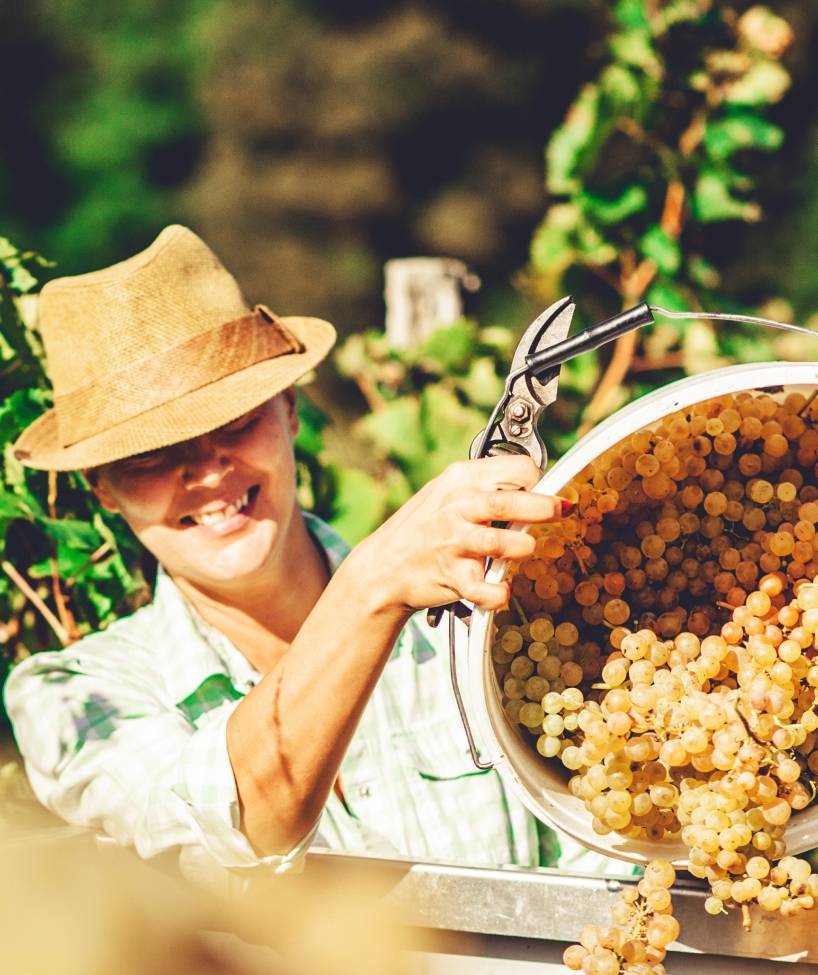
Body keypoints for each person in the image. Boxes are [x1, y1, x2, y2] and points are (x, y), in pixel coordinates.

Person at [5, 225, 623, 890]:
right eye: (152, 454)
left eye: (235, 420)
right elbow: (246, 822)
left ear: (290, 411)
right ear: (102, 489)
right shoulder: (75, 698)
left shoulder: (485, 621)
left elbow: (603, 849)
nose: (206, 469)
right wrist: (369, 589)